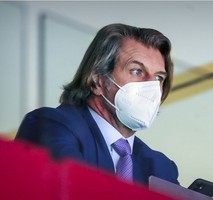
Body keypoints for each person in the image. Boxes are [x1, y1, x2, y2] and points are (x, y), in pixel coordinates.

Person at [15, 23, 179, 186]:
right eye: (137, 71)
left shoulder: (161, 168)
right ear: (98, 80)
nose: (150, 87)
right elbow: (77, 198)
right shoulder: (50, 126)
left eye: (158, 78)